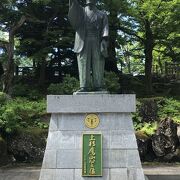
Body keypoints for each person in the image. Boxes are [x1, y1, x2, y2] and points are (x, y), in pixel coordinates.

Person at [68, 0, 109, 92]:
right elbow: (73, 12)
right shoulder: (81, 11)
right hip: (83, 40)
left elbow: (105, 28)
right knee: (83, 62)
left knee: (97, 62)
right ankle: (84, 86)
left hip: (97, 40)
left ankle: (98, 85)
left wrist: (104, 40)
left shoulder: (102, 14)